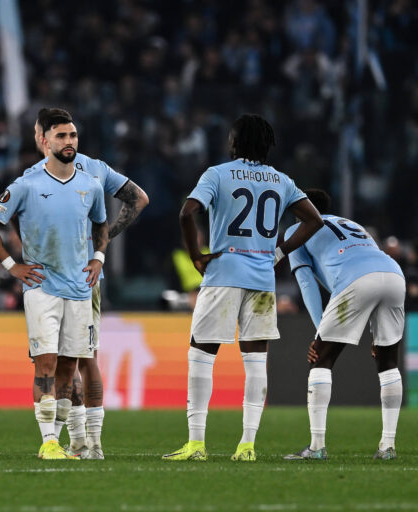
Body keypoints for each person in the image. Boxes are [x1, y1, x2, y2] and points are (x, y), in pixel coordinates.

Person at [164, 113, 323, 462]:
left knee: (201, 355)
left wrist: (196, 256)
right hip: (262, 280)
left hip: (223, 274)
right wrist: (279, 252)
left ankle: (196, 444)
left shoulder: (217, 174)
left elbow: (187, 213)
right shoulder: (281, 180)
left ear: (234, 143)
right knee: (255, 362)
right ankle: (247, 446)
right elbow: (314, 220)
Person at [0, 109, 108, 460]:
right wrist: (12, 266)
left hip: (80, 288)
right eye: (61, 136)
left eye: (72, 135)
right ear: (44, 140)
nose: (69, 142)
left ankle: (61, 441)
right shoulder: (27, 184)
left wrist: (98, 257)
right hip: (42, 287)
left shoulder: (91, 185)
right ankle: (48, 441)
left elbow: (101, 224)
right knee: (46, 365)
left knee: (69, 368)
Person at [27, 108, 149, 459]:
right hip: (87, 275)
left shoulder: (36, 175)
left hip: (54, 279)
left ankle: (77, 440)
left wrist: (102, 240)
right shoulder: (97, 167)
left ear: (41, 137)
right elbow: (139, 198)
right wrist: (102, 242)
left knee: (59, 361)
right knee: (84, 358)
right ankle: (88, 442)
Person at [283, 189, 405, 460]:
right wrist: (375, 331)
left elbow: (306, 283)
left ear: (299, 210)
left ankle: (316, 448)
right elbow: (374, 273)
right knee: (387, 362)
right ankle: (387, 447)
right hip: (393, 275)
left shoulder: (296, 231)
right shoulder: (352, 224)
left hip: (355, 279)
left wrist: (319, 333)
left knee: (320, 359)